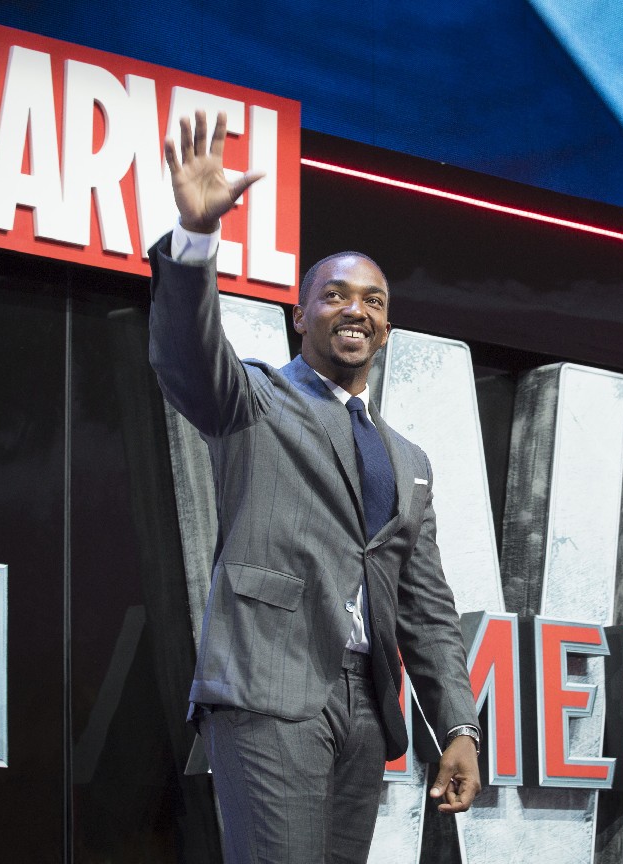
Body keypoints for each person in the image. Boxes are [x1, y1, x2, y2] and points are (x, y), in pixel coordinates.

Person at [148, 110, 482, 864]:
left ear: (386, 331)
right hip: (269, 687)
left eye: (373, 300)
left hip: (365, 706)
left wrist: (458, 727)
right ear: (300, 316)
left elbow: (428, 611)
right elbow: (186, 356)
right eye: (334, 295)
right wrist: (196, 235)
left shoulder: (409, 459)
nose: (355, 308)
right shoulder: (257, 401)